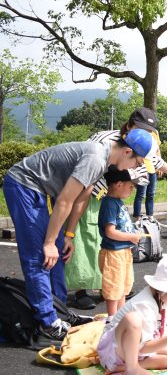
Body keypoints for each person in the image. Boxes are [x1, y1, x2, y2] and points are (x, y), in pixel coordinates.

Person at [2, 129, 156, 340]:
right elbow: (65, 200)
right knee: (39, 255)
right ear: (128, 151)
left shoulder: (104, 163)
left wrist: (68, 235)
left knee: (57, 252)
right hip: (23, 184)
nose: (135, 167)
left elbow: (80, 199)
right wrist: (48, 242)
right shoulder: (95, 157)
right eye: (137, 163)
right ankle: (48, 321)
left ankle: (59, 311)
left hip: (42, 189)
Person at [66, 107, 167, 310]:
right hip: (87, 191)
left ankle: (107, 287)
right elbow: (86, 164)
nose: (144, 134)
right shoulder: (105, 139)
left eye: (149, 132)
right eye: (140, 129)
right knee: (85, 239)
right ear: (129, 125)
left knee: (102, 242)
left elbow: (156, 160)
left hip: (107, 196)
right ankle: (79, 290)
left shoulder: (140, 144)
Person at [96, 255, 167, 375]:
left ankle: (124, 367)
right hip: (114, 352)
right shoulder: (144, 304)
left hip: (132, 348)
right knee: (132, 319)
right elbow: (143, 348)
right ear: (164, 289)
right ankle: (132, 368)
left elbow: (152, 335)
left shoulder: (159, 298)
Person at [98, 168, 142, 316]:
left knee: (123, 287)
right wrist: (131, 237)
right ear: (118, 184)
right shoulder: (109, 204)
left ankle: (120, 316)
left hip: (123, 251)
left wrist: (132, 234)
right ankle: (112, 320)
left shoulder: (118, 202)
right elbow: (110, 232)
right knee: (113, 289)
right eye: (130, 186)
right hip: (113, 253)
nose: (132, 190)